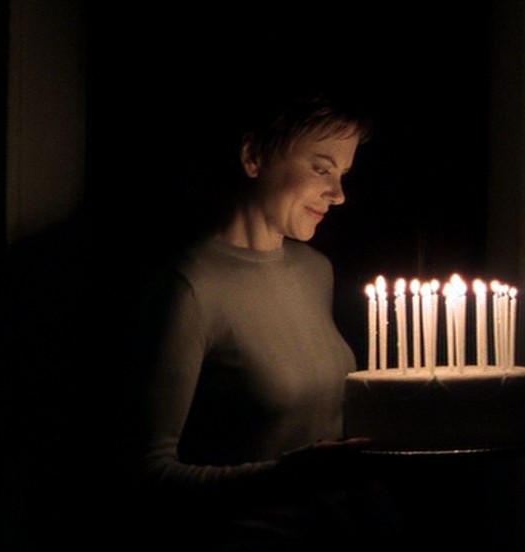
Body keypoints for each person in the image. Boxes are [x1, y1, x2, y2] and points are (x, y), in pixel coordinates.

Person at [126, 88, 402, 549]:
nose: (338, 194)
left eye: (344, 174)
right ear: (254, 156)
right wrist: (290, 476)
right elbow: (147, 476)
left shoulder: (316, 271)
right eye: (321, 168)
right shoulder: (189, 288)